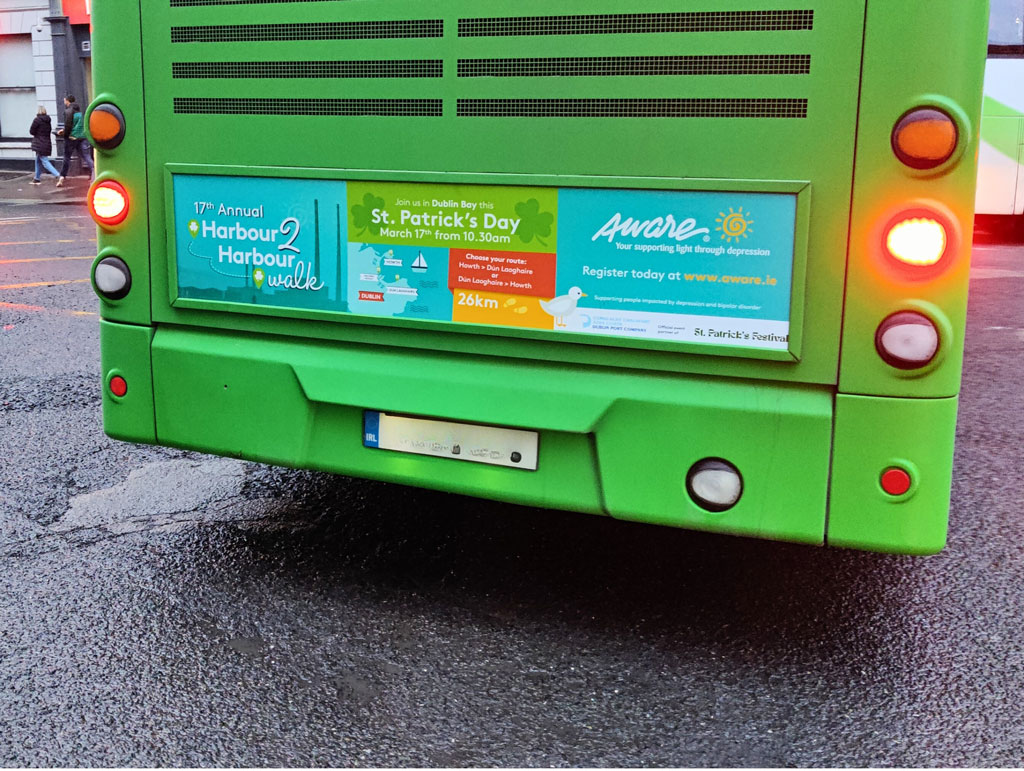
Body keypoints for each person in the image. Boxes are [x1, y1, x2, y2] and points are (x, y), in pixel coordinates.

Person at [56, 95, 93, 187]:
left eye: (64, 100)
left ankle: (62, 177)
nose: (64, 102)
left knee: (67, 157)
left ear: (67, 101)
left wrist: (65, 134)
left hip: (72, 137)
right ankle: (94, 174)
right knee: (86, 157)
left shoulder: (68, 111)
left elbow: (68, 125)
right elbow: (77, 124)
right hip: (82, 137)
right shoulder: (80, 112)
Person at [29, 106, 60, 184]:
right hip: (46, 142)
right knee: (38, 160)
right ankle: (37, 178)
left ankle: (58, 175)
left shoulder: (37, 120)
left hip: (39, 143)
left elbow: (31, 131)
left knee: (45, 161)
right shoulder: (48, 121)